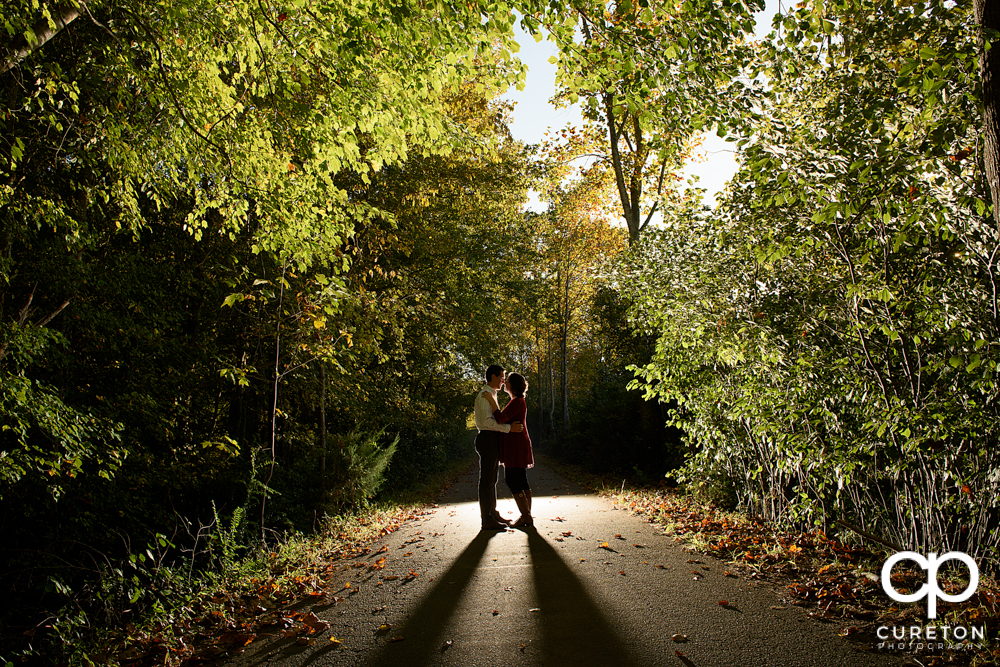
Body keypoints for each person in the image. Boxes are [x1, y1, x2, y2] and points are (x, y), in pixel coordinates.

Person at [474, 364, 523, 531]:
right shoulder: (484, 395)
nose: (503, 380)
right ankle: (486, 519)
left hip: (492, 439)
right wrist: (508, 429)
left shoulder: (492, 395)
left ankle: (492, 513)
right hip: (487, 439)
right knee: (486, 480)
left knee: (492, 480)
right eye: (502, 376)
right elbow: (486, 423)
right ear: (493, 376)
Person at [485, 372, 533, 528]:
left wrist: (492, 401)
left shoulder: (517, 402)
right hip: (518, 443)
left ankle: (526, 516)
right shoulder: (518, 401)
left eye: (507, 381)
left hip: (516, 445)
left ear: (512, 385)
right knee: (521, 479)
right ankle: (526, 516)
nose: (504, 382)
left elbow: (500, 419)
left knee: (512, 479)